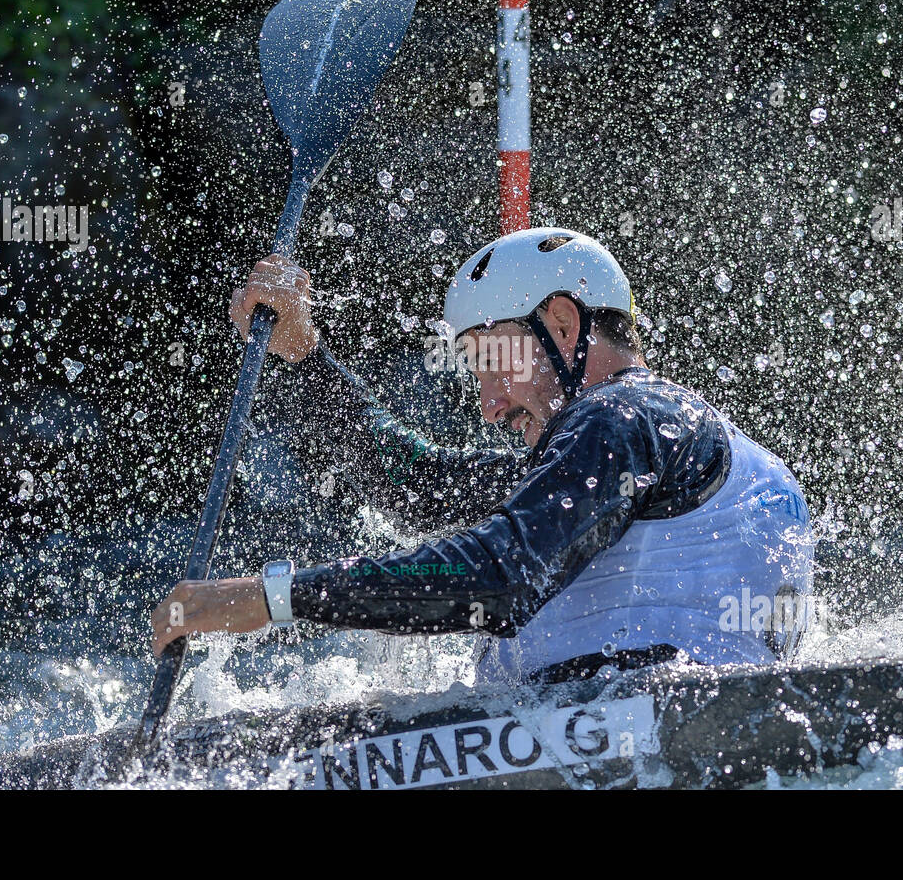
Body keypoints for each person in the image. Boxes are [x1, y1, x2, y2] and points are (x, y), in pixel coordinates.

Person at [151, 227, 814, 685]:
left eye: (491, 360)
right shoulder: (645, 446)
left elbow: (499, 577)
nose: (491, 405)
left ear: (562, 324)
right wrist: (304, 356)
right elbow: (415, 485)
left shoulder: (625, 418)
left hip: (656, 728)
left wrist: (269, 598)